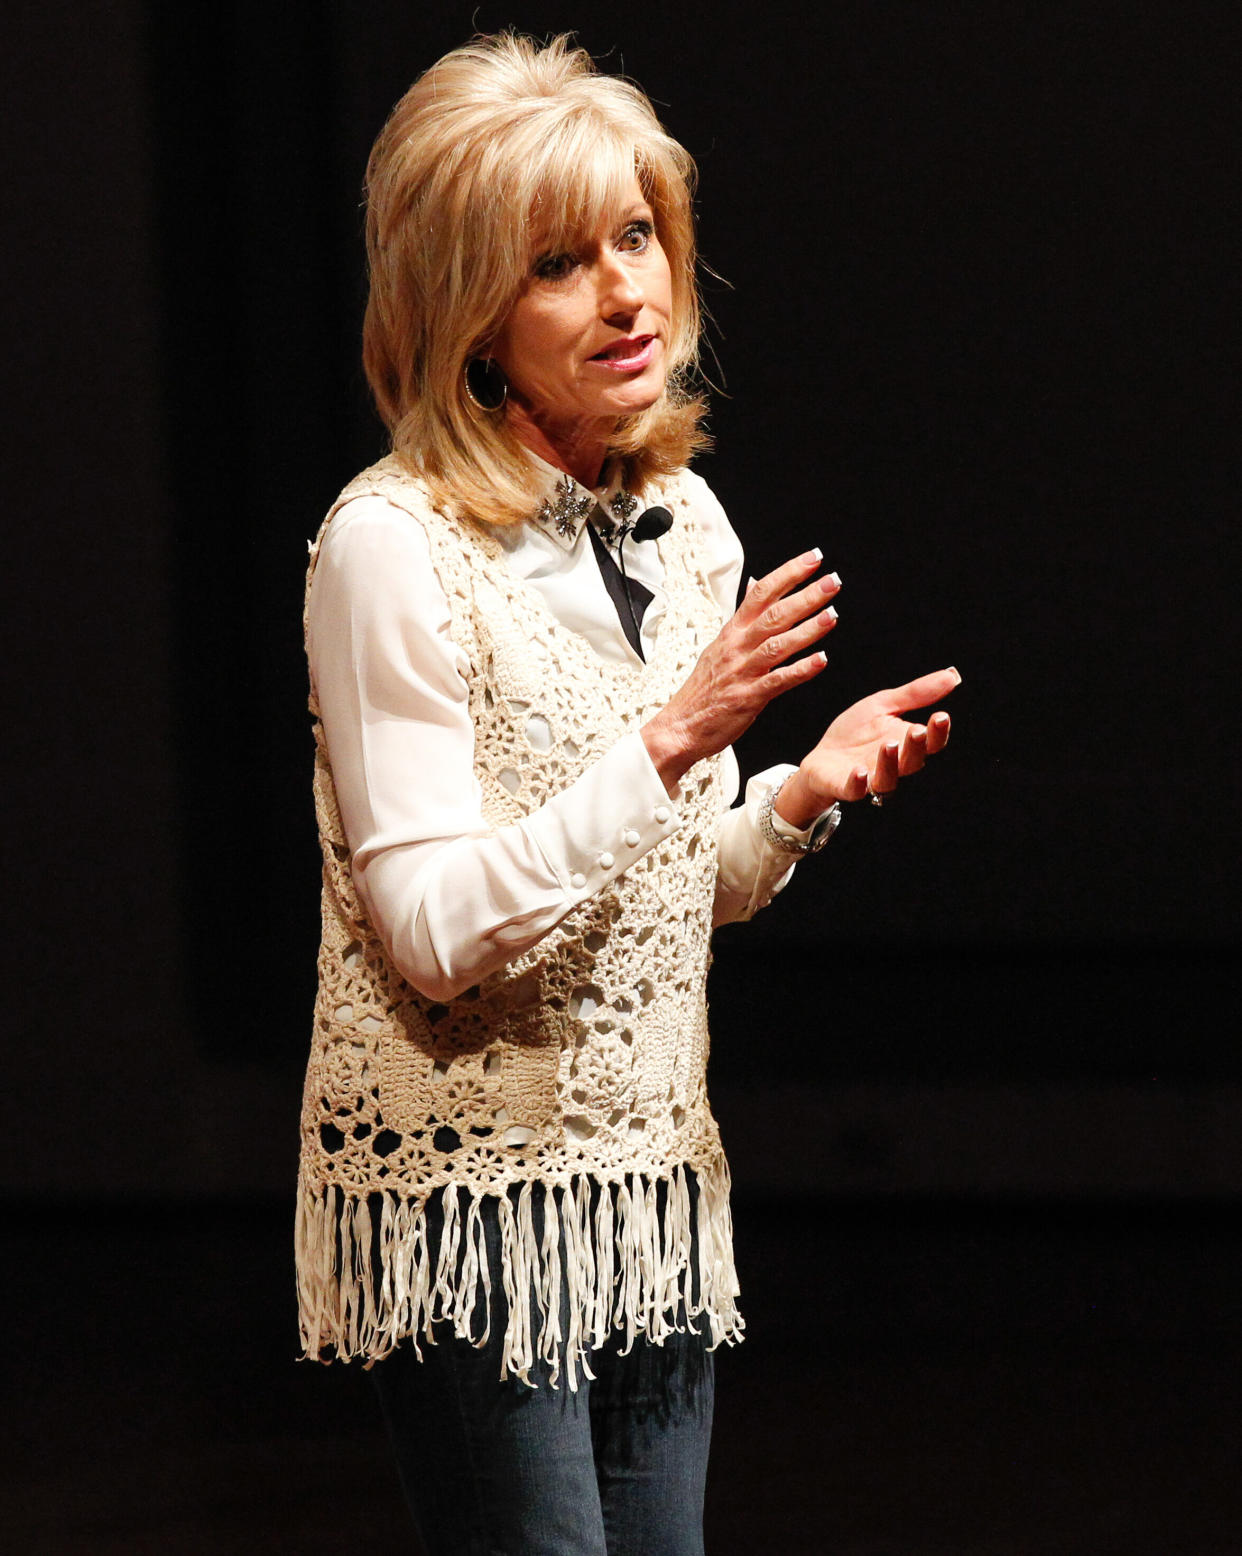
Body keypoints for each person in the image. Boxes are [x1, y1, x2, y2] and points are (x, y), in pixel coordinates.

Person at [295, 31, 959, 1556]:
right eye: (554, 264)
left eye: (636, 237)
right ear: (466, 312)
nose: (624, 293)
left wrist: (794, 795)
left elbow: (675, 884)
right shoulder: (390, 549)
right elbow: (431, 929)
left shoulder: (681, 525)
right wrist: (667, 740)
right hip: (477, 1201)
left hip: (647, 1184)